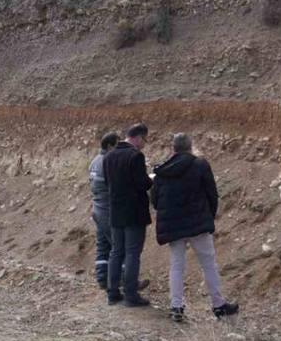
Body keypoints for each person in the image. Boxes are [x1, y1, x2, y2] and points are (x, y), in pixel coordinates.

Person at [151, 133, 239, 323]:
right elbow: (212, 194)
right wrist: (209, 216)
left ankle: (176, 307)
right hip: (198, 224)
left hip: (174, 227)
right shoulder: (200, 165)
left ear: (173, 148)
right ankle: (218, 305)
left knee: (176, 266)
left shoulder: (162, 172)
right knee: (208, 265)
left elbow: (156, 201)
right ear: (190, 147)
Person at [102, 123, 153, 307]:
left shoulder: (108, 156)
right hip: (134, 212)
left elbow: (108, 183)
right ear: (138, 137)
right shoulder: (135, 156)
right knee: (132, 253)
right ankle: (131, 294)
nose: (144, 144)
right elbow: (143, 184)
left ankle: (112, 293)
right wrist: (151, 179)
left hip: (115, 211)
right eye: (145, 140)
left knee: (116, 252)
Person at [89, 132, 120, 289]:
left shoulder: (94, 161)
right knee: (118, 246)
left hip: (97, 208)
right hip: (108, 210)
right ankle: (121, 280)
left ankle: (102, 278)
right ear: (109, 146)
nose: (118, 148)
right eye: (117, 145)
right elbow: (115, 187)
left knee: (102, 245)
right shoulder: (107, 162)